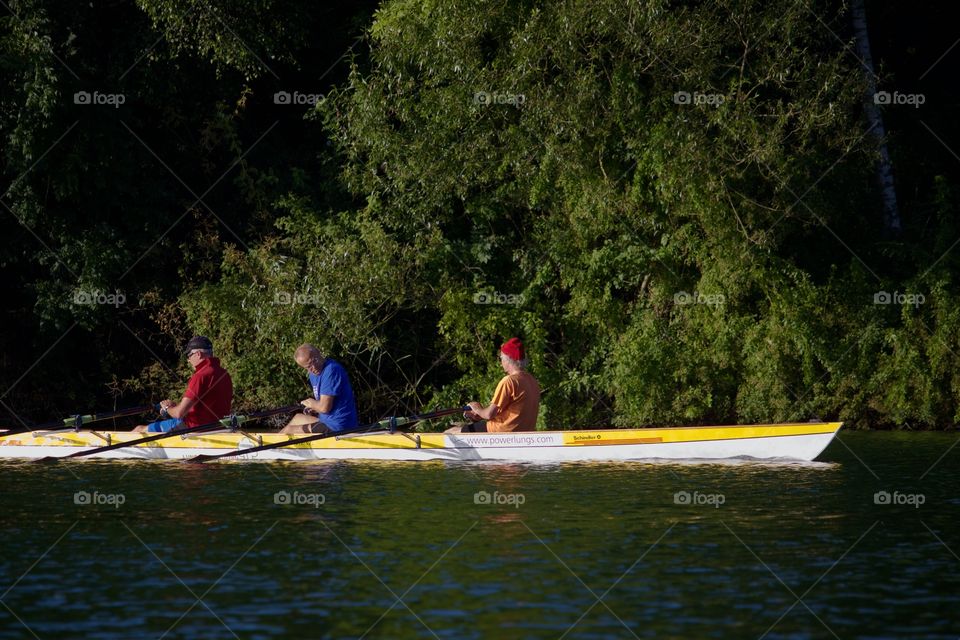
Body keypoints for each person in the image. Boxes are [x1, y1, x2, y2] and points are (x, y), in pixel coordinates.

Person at [133, 336, 233, 433]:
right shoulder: (224, 374)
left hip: (194, 429)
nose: (188, 360)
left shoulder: (200, 376)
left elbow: (178, 413)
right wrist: (176, 406)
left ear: (198, 354)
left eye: (189, 355)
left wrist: (167, 408)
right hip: (218, 427)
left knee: (139, 429)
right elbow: (205, 406)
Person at [450, 337, 540, 433]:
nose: (501, 362)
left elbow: (489, 414)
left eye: (501, 358)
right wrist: (479, 415)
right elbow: (512, 413)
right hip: (524, 433)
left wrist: (476, 408)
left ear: (507, 359)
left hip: (501, 431)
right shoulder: (532, 381)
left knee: (451, 432)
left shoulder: (509, 381)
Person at [280, 344, 359, 434]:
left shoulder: (331, 370)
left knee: (289, 430)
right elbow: (324, 405)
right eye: (308, 367)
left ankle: (267, 447)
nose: (314, 367)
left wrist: (312, 403)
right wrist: (313, 408)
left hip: (338, 426)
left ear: (318, 352)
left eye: (314, 361)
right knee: (297, 418)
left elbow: (324, 408)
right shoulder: (313, 374)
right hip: (327, 421)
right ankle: (266, 446)